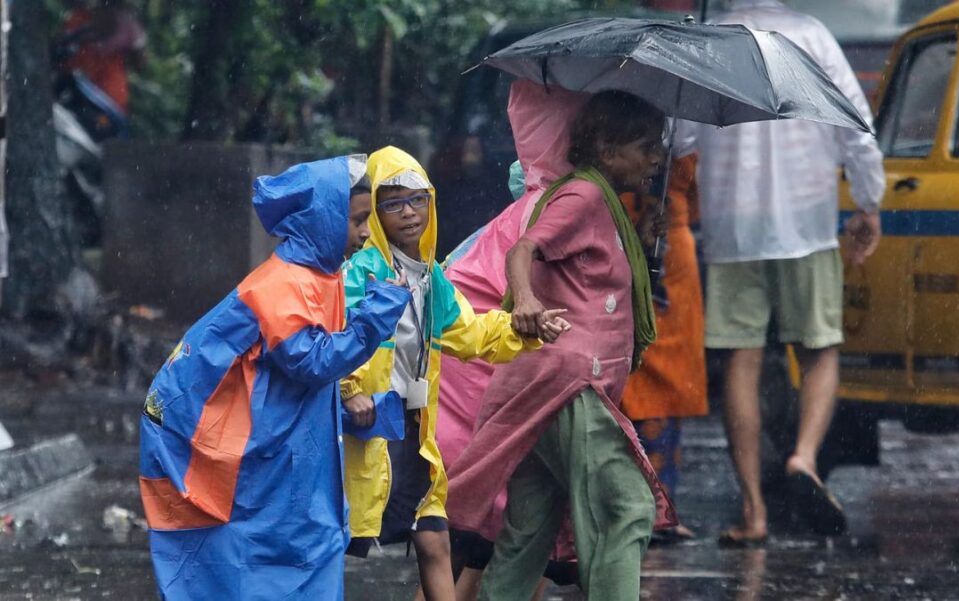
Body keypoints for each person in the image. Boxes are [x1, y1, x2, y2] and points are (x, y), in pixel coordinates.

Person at [138, 155, 412, 600]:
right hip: (250, 456)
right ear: (323, 218)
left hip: (282, 454)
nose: (366, 233)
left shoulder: (318, 276)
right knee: (261, 562)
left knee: (294, 557)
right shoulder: (281, 285)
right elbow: (312, 362)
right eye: (359, 219)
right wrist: (381, 309)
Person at [447, 90, 677, 601]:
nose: (657, 157)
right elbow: (524, 249)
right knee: (627, 508)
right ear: (607, 149)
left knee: (529, 530)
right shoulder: (584, 197)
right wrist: (524, 300)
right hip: (568, 384)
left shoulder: (605, 203)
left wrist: (637, 237)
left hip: (542, 386)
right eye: (645, 146)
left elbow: (590, 276)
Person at [693, 0, 886, 546]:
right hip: (806, 220)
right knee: (820, 347)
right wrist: (869, 201)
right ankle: (803, 457)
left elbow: (680, 138)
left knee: (741, 358)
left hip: (732, 225)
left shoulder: (710, 42)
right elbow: (855, 122)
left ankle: (753, 510)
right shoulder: (814, 36)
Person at [339, 146, 568, 601]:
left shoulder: (431, 278)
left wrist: (528, 330)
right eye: (393, 203)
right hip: (367, 426)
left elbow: (471, 334)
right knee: (340, 535)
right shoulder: (361, 273)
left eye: (417, 199)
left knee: (434, 537)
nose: (408, 213)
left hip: (412, 426)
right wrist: (349, 390)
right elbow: (341, 338)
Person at [620, 150, 709, 543]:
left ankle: (653, 505)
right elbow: (698, 208)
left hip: (660, 261)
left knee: (645, 384)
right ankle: (655, 505)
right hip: (660, 256)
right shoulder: (683, 146)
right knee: (650, 384)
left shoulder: (624, 146)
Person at [59, 0, 146, 114]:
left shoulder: (129, 24)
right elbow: (60, 46)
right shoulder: (81, 17)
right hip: (75, 84)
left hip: (108, 92)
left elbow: (140, 62)